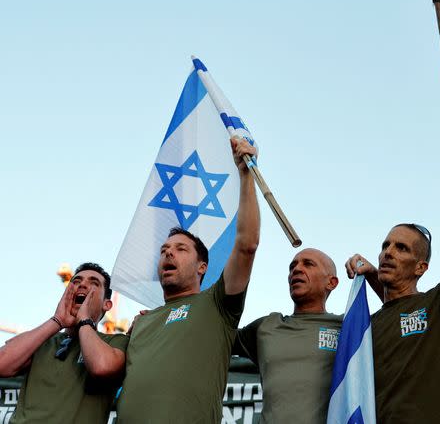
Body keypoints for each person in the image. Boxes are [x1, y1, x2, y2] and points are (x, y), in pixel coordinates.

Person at [81, 137, 261, 423]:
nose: (168, 254)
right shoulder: (141, 323)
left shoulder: (218, 304)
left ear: (202, 267)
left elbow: (246, 245)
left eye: (180, 249)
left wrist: (245, 175)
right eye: (164, 250)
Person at [346, 138, 440, 423]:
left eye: (401, 248)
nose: (388, 252)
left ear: (421, 267)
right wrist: (369, 275)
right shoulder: (368, 324)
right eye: (385, 245)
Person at [0, 263, 127, 423]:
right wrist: (57, 320)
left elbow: (102, 367)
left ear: (107, 304)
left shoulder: (114, 342)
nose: (82, 284)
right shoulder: (44, 340)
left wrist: (84, 321)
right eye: (76, 281)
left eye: (94, 283)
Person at [234, 247, 341, 423]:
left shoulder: (347, 327)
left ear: (331, 282)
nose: (296, 269)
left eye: (308, 264)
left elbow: (393, 321)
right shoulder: (266, 326)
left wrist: (370, 275)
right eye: (292, 267)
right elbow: (216, 338)